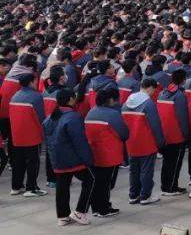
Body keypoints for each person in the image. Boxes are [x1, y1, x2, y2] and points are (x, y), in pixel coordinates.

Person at [44, 88, 95, 226]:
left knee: (62, 185)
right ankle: (80, 211)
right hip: (73, 159)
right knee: (91, 179)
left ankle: (62, 216)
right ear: (70, 100)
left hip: (57, 158)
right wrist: (88, 160)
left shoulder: (50, 118)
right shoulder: (73, 117)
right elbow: (80, 142)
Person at [84, 86, 127, 216]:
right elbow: (124, 133)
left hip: (94, 153)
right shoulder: (113, 114)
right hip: (110, 154)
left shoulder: (91, 112)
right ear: (109, 100)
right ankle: (104, 208)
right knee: (107, 183)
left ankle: (96, 208)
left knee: (97, 181)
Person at [122, 77, 165, 205]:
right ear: (150, 88)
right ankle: (145, 196)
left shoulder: (127, 102)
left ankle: (133, 195)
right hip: (146, 142)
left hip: (131, 142)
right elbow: (155, 125)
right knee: (146, 170)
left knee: (134, 170)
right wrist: (160, 141)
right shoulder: (148, 103)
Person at [9, 71, 46, 196]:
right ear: (31, 82)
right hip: (32, 135)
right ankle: (32, 188)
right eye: (35, 80)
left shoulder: (15, 96)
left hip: (16, 135)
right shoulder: (36, 97)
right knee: (33, 162)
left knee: (18, 161)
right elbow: (41, 118)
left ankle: (16, 186)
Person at [157, 68, 191, 196]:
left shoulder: (162, 93)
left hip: (164, 133)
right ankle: (171, 187)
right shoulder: (179, 96)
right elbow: (182, 117)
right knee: (175, 162)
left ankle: (165, 185)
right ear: (183, 80)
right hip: (176, 135)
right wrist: (186, 133)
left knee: (167, 162)